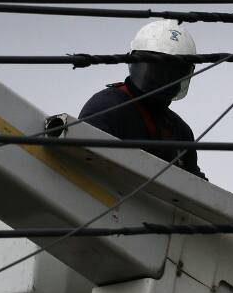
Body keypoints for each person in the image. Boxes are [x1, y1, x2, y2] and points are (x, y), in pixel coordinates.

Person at [78, 19, 205, 178]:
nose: (165, 80)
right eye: (158, 71)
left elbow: (197, 188)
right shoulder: (107, 107)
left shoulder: (180, 132)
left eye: (174, 73)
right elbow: (84, 162)